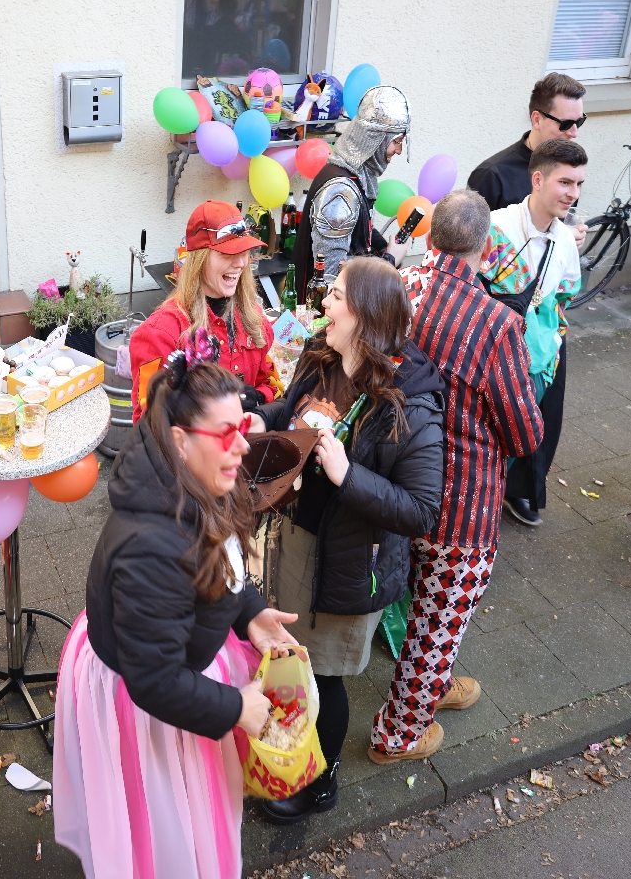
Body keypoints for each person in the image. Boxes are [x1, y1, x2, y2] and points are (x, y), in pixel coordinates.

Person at [54, 335, 302, 879]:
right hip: (145, 697)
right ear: (179, 440)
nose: (243, 446)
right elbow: (155, 681)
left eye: (244, 426)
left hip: (172, 657)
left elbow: (220, 561)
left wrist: (250, 612)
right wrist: (235, 708)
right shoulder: (152, 548)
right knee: (158, 829)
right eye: (227, 433)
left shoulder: (199, 475)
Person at [249, 258, 445, 822]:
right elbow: (293, 410)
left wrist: (347, 474)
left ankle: (321, 783)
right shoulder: (323, 354)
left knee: (324, 676)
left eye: (335, 296)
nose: (324, 305)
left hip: (348, 563)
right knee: (286, 660)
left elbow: (421, 510)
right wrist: (264, 419)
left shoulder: (411, 403)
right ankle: (287, 761)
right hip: (292, 538)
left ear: (365, 313)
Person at [374, 190, 544, 762]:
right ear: (486, 246)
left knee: (414, 604)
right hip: (460, 501)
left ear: (430, 235)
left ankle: (431, 686)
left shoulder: (398, 288)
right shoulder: (497, 325)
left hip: (393, 480)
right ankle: (397, 735)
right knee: (438, 621)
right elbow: (524, 432)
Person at [482, 139, 586, 527]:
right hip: (489, 365)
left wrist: (549, 351)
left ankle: (499, 499)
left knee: (517, 439)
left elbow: (562, 300)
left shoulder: (565, 241)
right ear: (538, 180)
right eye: (565, 182)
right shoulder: (494, 228)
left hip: (535, 369)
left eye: (578, 184)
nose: (573, 194)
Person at [129, 200, 282, 420]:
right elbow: (149, 422)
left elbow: (272, 384)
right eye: (228, 253)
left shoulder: (254, 318)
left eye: (245, 251)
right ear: (199, 259)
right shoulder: (160, 333)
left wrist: (257, 398)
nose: (241, 263)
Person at [293, 84, 412, 292]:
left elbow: (357, 229)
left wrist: (382, 246)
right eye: (397, 141)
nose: (399, 150)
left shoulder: (355, 175)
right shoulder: (340, 191)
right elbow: (331, 279)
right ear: (376, 139)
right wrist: (389, 260)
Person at [467, 72, 586, 213]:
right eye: (566, 124)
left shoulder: (570, 166)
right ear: (536, 119)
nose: (574, 133)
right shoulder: (491, 175)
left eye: (579, 122)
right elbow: (469, 227)